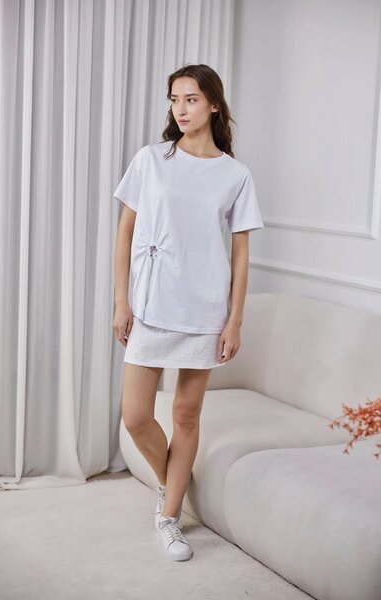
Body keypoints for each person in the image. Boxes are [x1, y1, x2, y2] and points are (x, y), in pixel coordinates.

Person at [112, 63, 264, 561]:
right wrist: (121, 301)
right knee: (136, 416)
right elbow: (125, 233)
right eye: (174, 99)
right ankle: (173, 481)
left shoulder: (235, 174)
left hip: (204, 307)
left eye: (191, 99)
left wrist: (234, 320)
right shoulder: (151, 160)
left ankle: (169, 515)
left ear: (214, 104)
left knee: (185, 415)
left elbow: (240, 253)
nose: (180, 108)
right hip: (152, 302)